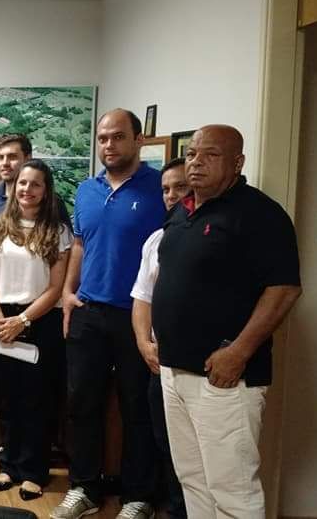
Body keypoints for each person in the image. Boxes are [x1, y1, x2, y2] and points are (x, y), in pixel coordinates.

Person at [152, 125, 301, 517]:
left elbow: (284, 289)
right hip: (174, 371)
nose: (196, 162)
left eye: (211, 155)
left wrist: (238, 352)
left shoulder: (259, 214)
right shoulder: (181, 212)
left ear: (238, 163)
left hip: (223, 377)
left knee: (232, 490)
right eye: (192, 154)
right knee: (193, 479)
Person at [52, 109, 163, 519]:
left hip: (137, 317)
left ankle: (138, 497)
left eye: (117, 137)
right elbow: (80, 245)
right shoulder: (87, 190)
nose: (109, 145)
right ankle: (84, 488)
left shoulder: (159, 188)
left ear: (138, 139)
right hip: (88, 311)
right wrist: (67, 292)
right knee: (82, 403)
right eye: (102, 138)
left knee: (137, 408)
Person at [0, 159, 72, 502]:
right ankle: (9, 465)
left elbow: (56, 287)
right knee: (8, 399)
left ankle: (34, 471)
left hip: (39, 319)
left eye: (35, 184)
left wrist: (23, 320)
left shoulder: (58, 231)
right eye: (22, 183)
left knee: (37, 400)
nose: (27, 190)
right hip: (1, 318)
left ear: (46, 191)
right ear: (14, 186)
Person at [129, 157, 189, 518]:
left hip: (199, 364)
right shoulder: (156, 240)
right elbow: (142, 298)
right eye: (166, 189)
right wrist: (143, 342)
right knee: (166, 443)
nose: (171, 195)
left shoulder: (214, 236)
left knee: (196, 453)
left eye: (180, 187)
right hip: (158, 362)